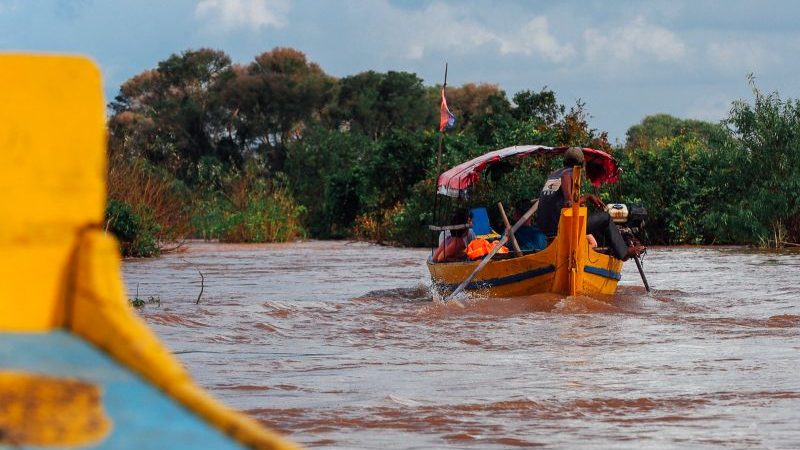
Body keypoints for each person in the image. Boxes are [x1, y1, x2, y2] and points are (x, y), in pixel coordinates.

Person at [536, 147, 644, 261]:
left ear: (564, 162)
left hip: (545, 228)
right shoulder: (570, 173)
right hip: (562, 226)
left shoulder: (553, 174)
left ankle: (609, 248)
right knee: (605, 218)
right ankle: (623, 252)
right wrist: (588, 197)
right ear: (582, 164)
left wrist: (584, 199)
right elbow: (569, 203)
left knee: (594, 220)